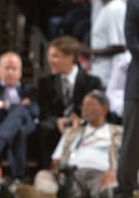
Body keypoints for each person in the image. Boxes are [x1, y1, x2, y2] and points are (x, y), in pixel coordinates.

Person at [34, 90, 121, 197]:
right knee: (43, 176)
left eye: (90, 105)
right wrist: (58, 167)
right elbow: (56, 160)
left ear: (104, 109)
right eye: (83, 105)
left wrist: (116, 171)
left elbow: (129, 160)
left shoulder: (118, 132)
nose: (85, 108)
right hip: (70, 175)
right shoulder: (72, 132)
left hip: (101, 175)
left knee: (111, 184)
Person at [36, 35, 103, 169]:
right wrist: (57, 121)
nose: (50, 61)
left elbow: (98, 112)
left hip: (83, 125)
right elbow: (44, 111)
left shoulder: (92, 82)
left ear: (70, 57)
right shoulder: (44, 83)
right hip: (56, 127)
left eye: (55, 56)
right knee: (45, 128)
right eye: (50, 56)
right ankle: (48, 171)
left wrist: (81, 120)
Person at [0, 52, 39, 181]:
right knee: (19, 128)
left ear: (20, 72)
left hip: (26, 126)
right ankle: (18, 177)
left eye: (14, 69)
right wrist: (18, 107)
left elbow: (35, 111)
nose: (11, 72)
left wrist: (6, 106)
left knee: (20, 111)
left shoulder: (29, 90)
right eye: (7, 68)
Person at [115, 0, 139, 197]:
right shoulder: (134, 4)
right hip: (138, 86)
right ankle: (124, 190)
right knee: (131, 142)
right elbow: (133, 43)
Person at [89, 0, 132, 86]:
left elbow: (120, 46)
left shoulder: (115, 8)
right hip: (101, 73)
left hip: (110, 78)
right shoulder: (106, 8)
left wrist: (89, 51)